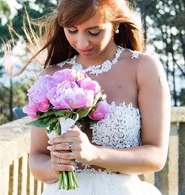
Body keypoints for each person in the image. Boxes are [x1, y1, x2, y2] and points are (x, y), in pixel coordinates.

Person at [23, 0, 171, 194]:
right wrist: (55, 166)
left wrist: (94, 154)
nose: (82, 42)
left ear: (116, 23)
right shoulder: (50, 77)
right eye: (72, 30)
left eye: (94, 32)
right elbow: (36, 159)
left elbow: (156, 157)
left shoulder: (144, 68)